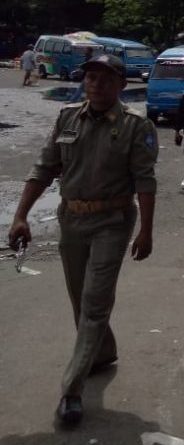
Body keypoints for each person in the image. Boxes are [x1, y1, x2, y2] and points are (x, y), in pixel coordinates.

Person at [6, 53, 158, 425]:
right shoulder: (67, 117)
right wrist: (21, 215)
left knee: (94, 301)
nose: (97, 85)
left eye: (106, 79)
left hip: (113, 221)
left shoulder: (136, 125)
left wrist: (146, 230)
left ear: (122, 84)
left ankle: (71, 389)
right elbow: (44, 168)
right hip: (72, 220)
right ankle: (102, 352)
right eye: (91, 78)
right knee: (80, 296)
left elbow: (145, 181)